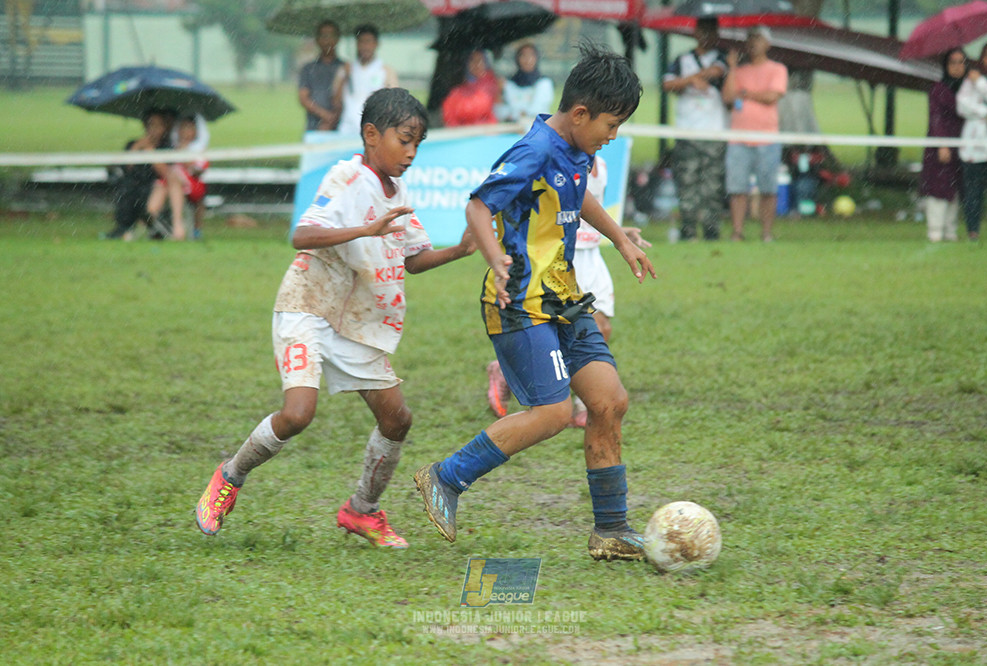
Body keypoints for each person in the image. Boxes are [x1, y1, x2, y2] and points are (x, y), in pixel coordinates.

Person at [195, 88, 476, 547]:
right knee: (298, 413)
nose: (411, 152)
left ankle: (361, 511)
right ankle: (230, 475)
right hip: (308, 304)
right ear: (371, 135)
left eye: (418, 144)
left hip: (358, 323)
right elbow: (303, 235)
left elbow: (414, 258)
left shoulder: (398, 190)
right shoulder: (346, 177)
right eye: (404, 139)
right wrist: (365, 229)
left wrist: (462, 250)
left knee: (397, 420)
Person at [413, 43, 657, 562]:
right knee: (552, 411)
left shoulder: (576, 147)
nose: (612, 138)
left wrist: (619, 237)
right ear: (580, 113)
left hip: (564, 296)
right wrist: (497, 257)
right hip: (519, 302)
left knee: (609, 401)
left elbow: (578, 195)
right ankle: (445, 477)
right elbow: (479, 206)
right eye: (611, 126)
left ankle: (611, 529)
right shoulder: (534, 150)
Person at [486, 154, 651, 427]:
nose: (609, 135)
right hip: (567, 257)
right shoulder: (561, 160)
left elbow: (586, 210)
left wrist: (620, 233)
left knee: (602, 327)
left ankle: (581, 398)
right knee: (566, 326)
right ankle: (511, 372)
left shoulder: (604, 167)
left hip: (593, 256)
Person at [661, 17, 729, 241]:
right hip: (687, 132)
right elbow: (668, 84)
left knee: (712, 187)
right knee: (687, 185)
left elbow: (718, 72)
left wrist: (689, 80)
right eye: (703, 30)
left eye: (712, 31)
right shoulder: (682, 59)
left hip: (714, 133)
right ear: (695, 32)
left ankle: (711, 232)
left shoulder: (723, 58)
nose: (707, 35)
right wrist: (691, 80)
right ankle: (688, 231)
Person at [722, 25, 787, 242]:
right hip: (739, 137)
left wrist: (747, 93)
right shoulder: (739, 72)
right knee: (737, 188)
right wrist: (731, 67)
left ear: (768, 43)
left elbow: (772, 96)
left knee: (768, 188)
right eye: (750, 39)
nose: (753, 43)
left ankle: (766, 232)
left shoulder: (777, 69)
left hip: (767, 137)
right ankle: (737, 232)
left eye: (758, 39)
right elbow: (729, 98)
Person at [101, 108, 172, 240]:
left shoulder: (167, 146)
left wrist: (151, 153)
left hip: (153, 183)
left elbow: (166, 173)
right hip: (133, 182)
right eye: (151, 125)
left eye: (158, 125)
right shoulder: (134, 143)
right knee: (127, 190)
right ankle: (123, 227)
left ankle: (148, 227)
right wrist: (136, 148)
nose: (154, 130)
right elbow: (126, 166)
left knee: (147, 193)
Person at [921, 48, 967, 242]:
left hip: (963, 145)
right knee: (938, 188)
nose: (957, 67)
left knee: (956, 189)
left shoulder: (969, 89)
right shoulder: (939, 89)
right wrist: (942, 144)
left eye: (961, 62)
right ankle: (935, 231)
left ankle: (950, 230)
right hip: (940, 146)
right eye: (952, 63)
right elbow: (936, 118)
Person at [956, 41, 987, 241]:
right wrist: (986, 112)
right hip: (973, 146)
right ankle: (973, 230)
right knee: (973, 191)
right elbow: (963, 106)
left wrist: (982, 84)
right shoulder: (969, 81)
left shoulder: (980, 81)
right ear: (981, 59)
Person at [147, 113, 210, 241]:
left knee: (173, 178)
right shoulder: (172, 147)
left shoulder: (199, 150)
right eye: (182, 128)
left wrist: (185, 156)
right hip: (171, 181)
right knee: (161, 185)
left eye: (189, 128)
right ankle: (155, 222)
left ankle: (177, 225)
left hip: (192, 185)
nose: (185, 132)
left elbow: (199, 170)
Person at [333, 24, 399, 136]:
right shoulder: (345, 69)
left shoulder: (385, 71)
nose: (365, 46)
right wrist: (345, 77)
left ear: (376, 44)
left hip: (374, 129)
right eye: (361, 42)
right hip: (348, 128)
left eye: (369, 42)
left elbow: (395, 102)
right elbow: (336, 102)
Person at [298, 20, 344, 131]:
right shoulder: (308, 69)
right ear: (317, 40)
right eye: (324, 36)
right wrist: (325, 115)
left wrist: (333, 118)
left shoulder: (344, 68)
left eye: (331, 36)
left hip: (342, 128)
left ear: (337, 39)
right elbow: (303, 98)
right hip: (314, 126)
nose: (327, 40)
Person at [495, 42, 554, 124]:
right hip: (513, 131)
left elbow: (537, 110)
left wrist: (518, 114)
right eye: (523, 55)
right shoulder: (508, 84)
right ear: (517, 59)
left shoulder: (544, 83)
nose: (527, 59)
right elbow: (500, 112)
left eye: (531, 55)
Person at [441, 49, 501, 127]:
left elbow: (495, 117)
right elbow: (450, 119)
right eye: (472, 60)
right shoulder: (456, 94)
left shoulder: (496, 87)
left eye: (481, 60)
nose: (477, 64)